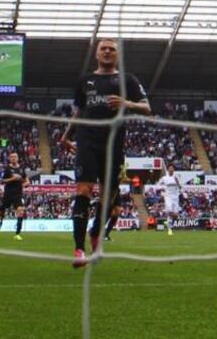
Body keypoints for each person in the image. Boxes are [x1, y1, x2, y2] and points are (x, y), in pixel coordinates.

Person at [60, 38, 150, 268]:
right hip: (87, 141)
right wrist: (66, 135)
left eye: (112, 49)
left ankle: (95, 232)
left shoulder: (127, 80)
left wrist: (126, 103)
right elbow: (79, 111)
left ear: (117, 55)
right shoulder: (85, 81)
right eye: (104, 49)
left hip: (113, 144)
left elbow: (147, 108)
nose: (108, 52)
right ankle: (79, 249)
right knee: (83, 190)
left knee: (108, 196)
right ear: (96, 54)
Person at [0, 152, 30, 240]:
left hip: (18, 194)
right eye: (11, 157)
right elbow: (2, 181)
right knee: (0, 212)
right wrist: (12, 178)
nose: (13, 158)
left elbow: (27, 181)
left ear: (18, 158)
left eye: (15, 157)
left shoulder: (21, 169)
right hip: (8, 194)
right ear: (9, 159)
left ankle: (17, 234)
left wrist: (24, 184)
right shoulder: (7, 169)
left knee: (20, 211)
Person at [158, 163, 182, 236]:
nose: (171, 169)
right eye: (170, 168)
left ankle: (168, 223)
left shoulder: (177, 177)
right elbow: (158, 185)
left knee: (175, 215)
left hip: (176, 197)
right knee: (170, 211)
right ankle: (169, 229)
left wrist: (177, 182)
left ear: (174, 170)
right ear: (168, 169)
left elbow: (181, 187)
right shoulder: (164, 178)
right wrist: (162, 191)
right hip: (168, 197)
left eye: (172, 168)